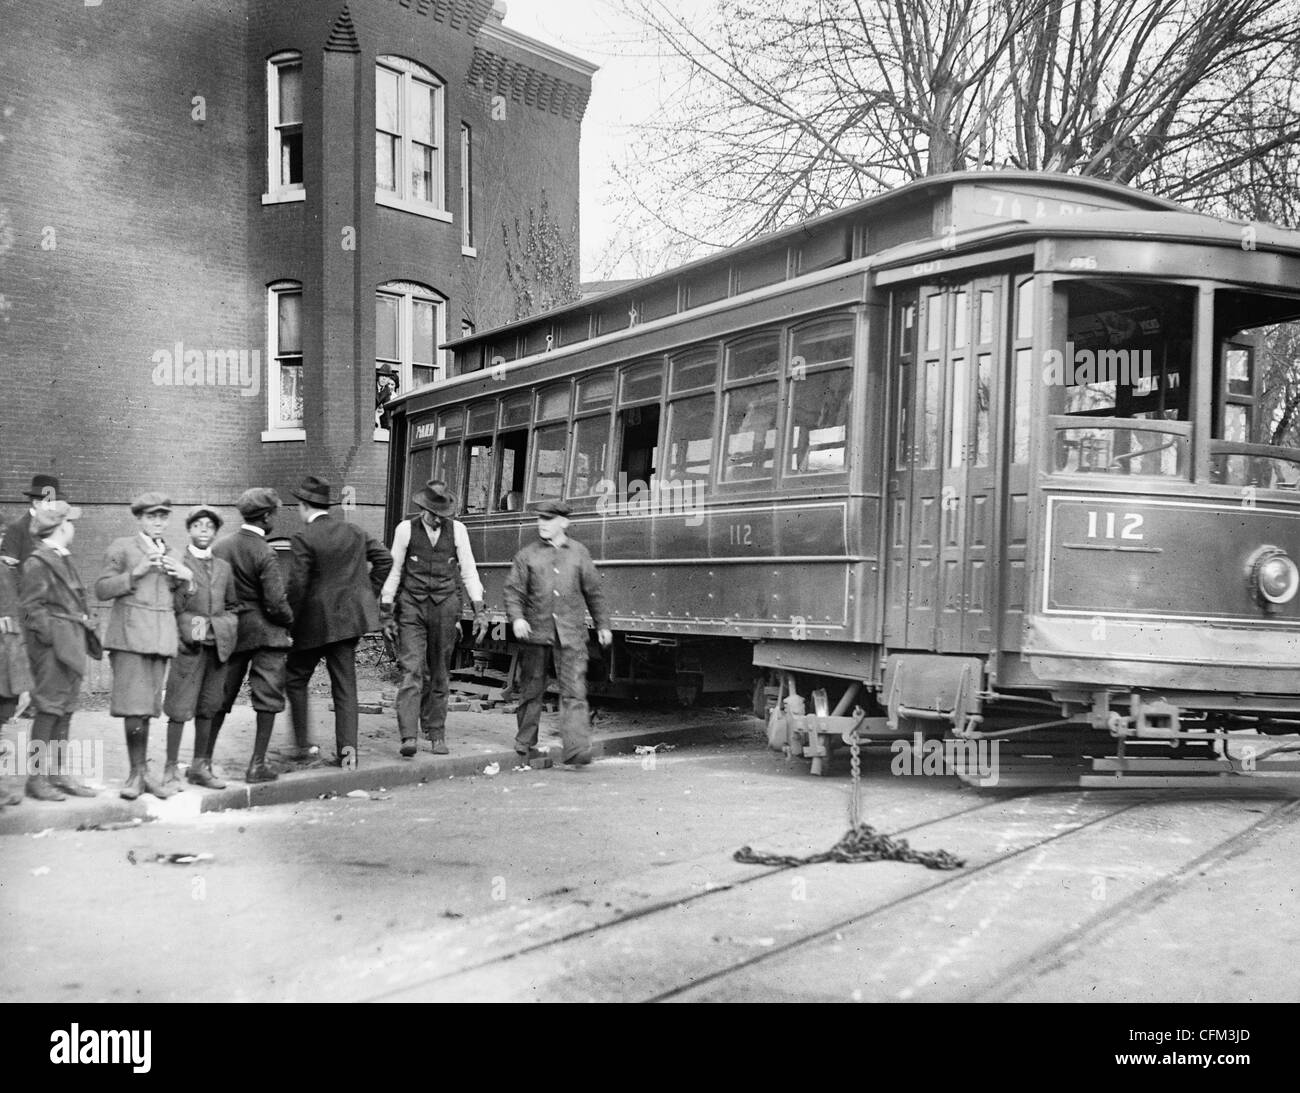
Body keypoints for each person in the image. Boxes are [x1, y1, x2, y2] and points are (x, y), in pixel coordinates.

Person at [284, 475, 392, 770]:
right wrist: (366, 594)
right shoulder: (354, 531)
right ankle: (348, 756)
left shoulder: (304, 538)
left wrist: (288, 624)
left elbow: (297, 587)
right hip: (348, 623)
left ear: (304, 506)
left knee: (294, 679)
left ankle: (303, 748)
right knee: (345, 688)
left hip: (313, 625)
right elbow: (385, 559)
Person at [95, 493, 193, 800]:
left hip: (160, 640)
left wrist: (187, 580)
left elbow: (178, 603)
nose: (158, 522)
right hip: (130, 639)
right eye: (152, 517)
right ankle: (135, 774)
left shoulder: (174, 553)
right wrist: (135, 573)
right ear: (139, 519)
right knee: (132, 707)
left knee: (148, 708)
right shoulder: (123, 547)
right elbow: (101, 589)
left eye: (163, 517)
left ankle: (144, 773)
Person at [380, 480, 487, 758]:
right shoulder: (405, 530)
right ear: (423, 509)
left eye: (442, 515)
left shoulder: (459, 531)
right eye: (433, 514)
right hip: (412, 607)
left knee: (440, 672)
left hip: (444, 607)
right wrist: (386, 611)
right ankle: (408, 736)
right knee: (412, 671)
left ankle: (436, 733)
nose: (437, 519)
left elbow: (469, 572)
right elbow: (393, 571)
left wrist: (479, 610)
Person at [503, 500, 612, 770]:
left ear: (564, 522)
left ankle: (576, 749)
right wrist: (517, 618)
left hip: (571, 635)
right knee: (531, 688)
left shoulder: (579, 553)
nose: (542, 523)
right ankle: (525, 740)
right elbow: (513, 592)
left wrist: (603, 625)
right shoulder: (526, 555)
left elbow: (594, 592)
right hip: (536, 633)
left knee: (574, 690)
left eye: (548, 519)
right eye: (540, 518)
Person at [210, 488, 294, 783]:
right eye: (275, 514)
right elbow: (275, 601)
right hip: (265, 633)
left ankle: (203, 761)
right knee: (267, 698)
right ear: (267, 516)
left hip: (232, 632)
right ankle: (256, 765)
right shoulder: (264, 550)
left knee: (220, 696)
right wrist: (289, 621)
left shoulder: (220, 547)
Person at [19, 501, 99, 801]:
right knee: (49, 709)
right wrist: (55, 636)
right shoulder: (37, 562)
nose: (74, 527)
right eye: (71, 522)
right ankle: (37, 778)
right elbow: (28, 611)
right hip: (54, 650)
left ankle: (57, 773)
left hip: (70, 645)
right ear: (61, 527)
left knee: (64, 710)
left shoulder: (62, 558)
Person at [162, 505, 238, 789]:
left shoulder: (224, 568)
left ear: (216, 532)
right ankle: (170, 768)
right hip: (189, 647)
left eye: (209, 526)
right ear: (189, 530)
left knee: (208, 706)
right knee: (180, 707)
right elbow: (174, 605)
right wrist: (197, 629)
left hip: (216, 647)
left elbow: (233, 606)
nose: (204, 530)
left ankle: (199, 766)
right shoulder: (178, 562)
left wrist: (223, 628)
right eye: (198, 525)